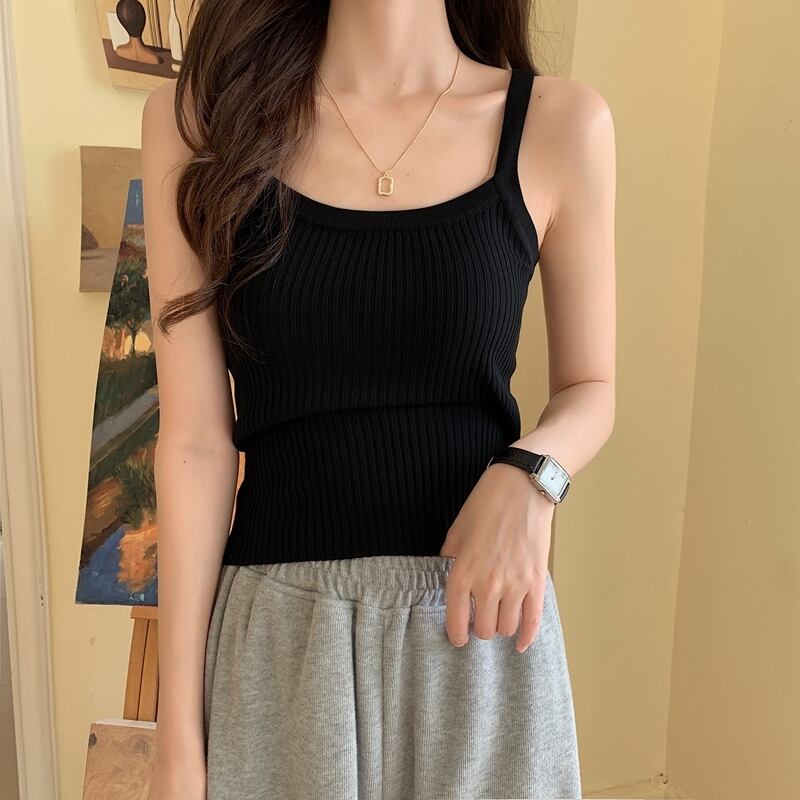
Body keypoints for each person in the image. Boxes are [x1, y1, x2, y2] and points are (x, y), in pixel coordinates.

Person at [141, 1, 616, 798]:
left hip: (481, 639)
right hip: (281, 647)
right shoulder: (199, 126)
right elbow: (194, 444)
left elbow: (591, 389)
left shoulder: (560, 124)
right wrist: (177, 746)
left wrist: (535, 474)